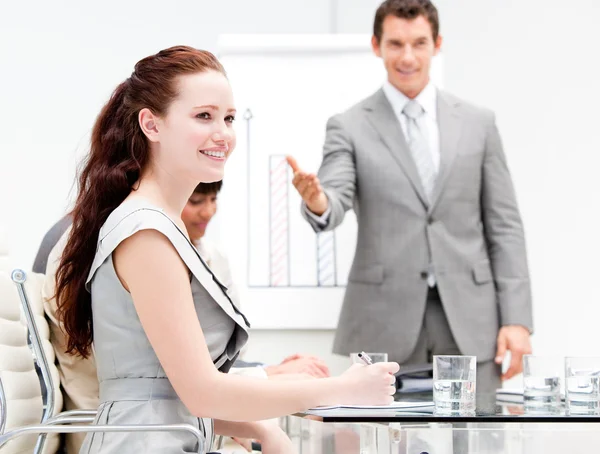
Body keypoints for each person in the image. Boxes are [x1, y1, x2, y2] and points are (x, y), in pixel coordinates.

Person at [52, 45, 398, 453]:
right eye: (204, 116)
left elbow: (171, 393)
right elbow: (200, 392)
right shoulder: (146, 233)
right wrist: (340, 388)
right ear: (152, 125)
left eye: (229, 118)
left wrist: (264, 429)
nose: (224, 134)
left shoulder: (158, 224)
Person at [287, 0, 532, 395]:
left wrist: (517, 320)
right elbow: (333, 199)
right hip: (384, 321)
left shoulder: (478, 123)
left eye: (419, 43)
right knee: (382, 443)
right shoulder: (349, 126)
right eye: (395, 44)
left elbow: (505, 226)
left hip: (471, 319)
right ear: (376, 45)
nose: (407, 57)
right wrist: (317, 201)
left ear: (437, 44)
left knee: (476, 441)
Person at [181, 180, 331, 379]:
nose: (208, 211)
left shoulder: (216, 257)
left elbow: (233, 349)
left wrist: (268, 370)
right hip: (195, 385)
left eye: (213, 199)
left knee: (310, 375)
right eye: (196, 201)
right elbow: (191, 370)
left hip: (223, 378)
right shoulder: (157, 258)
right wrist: (269, 372)